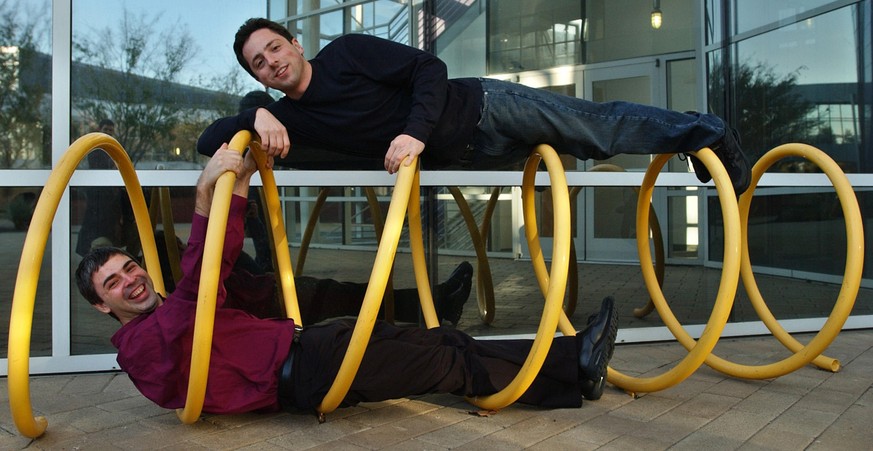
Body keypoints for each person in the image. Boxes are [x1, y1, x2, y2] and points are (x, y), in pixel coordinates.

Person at [76, 145, 619, 416]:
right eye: (113, 284)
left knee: (447, 340)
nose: (131, 281)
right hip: (304, 376)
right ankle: (574, 362)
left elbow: (215, 275)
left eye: (129, 268)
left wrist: (236, 189)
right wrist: (206, 197)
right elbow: (199, 290)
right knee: (445, 365)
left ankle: (573, 368)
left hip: (311, 341)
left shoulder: (176, 309)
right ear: (103, 308)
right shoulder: (142, 350)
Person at [197, 18, 751, 194]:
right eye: (258, 64)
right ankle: (693, 139)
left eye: (274, 47)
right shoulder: (285, 116)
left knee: (595, 131)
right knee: (579, 159)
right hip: (471, 156)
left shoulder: (346, 54)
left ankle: (705, 132)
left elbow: (427, 70)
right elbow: (209, 138)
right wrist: (255, 114)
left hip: (485, 108)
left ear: (294, 43)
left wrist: (413, 132)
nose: (271, 62)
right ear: (259, 79)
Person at [154, 229, 474, 326]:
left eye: (183, 243)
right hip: (278, 303)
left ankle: (437, 299)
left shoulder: (202, 275)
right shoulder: (190, 284)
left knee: (358, 296)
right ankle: (437, 302)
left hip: (279, 293)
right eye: (179, 245)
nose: (186, 246)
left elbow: (254, 265)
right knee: (360, 299)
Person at [76, 119, 138, 256]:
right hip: (99, 204)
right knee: (96, 244)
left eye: (111, 131)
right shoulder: (95, 151)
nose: (109, 133)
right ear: (100, 129)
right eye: (106, 130)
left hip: (112, 208)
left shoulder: (115, 150)